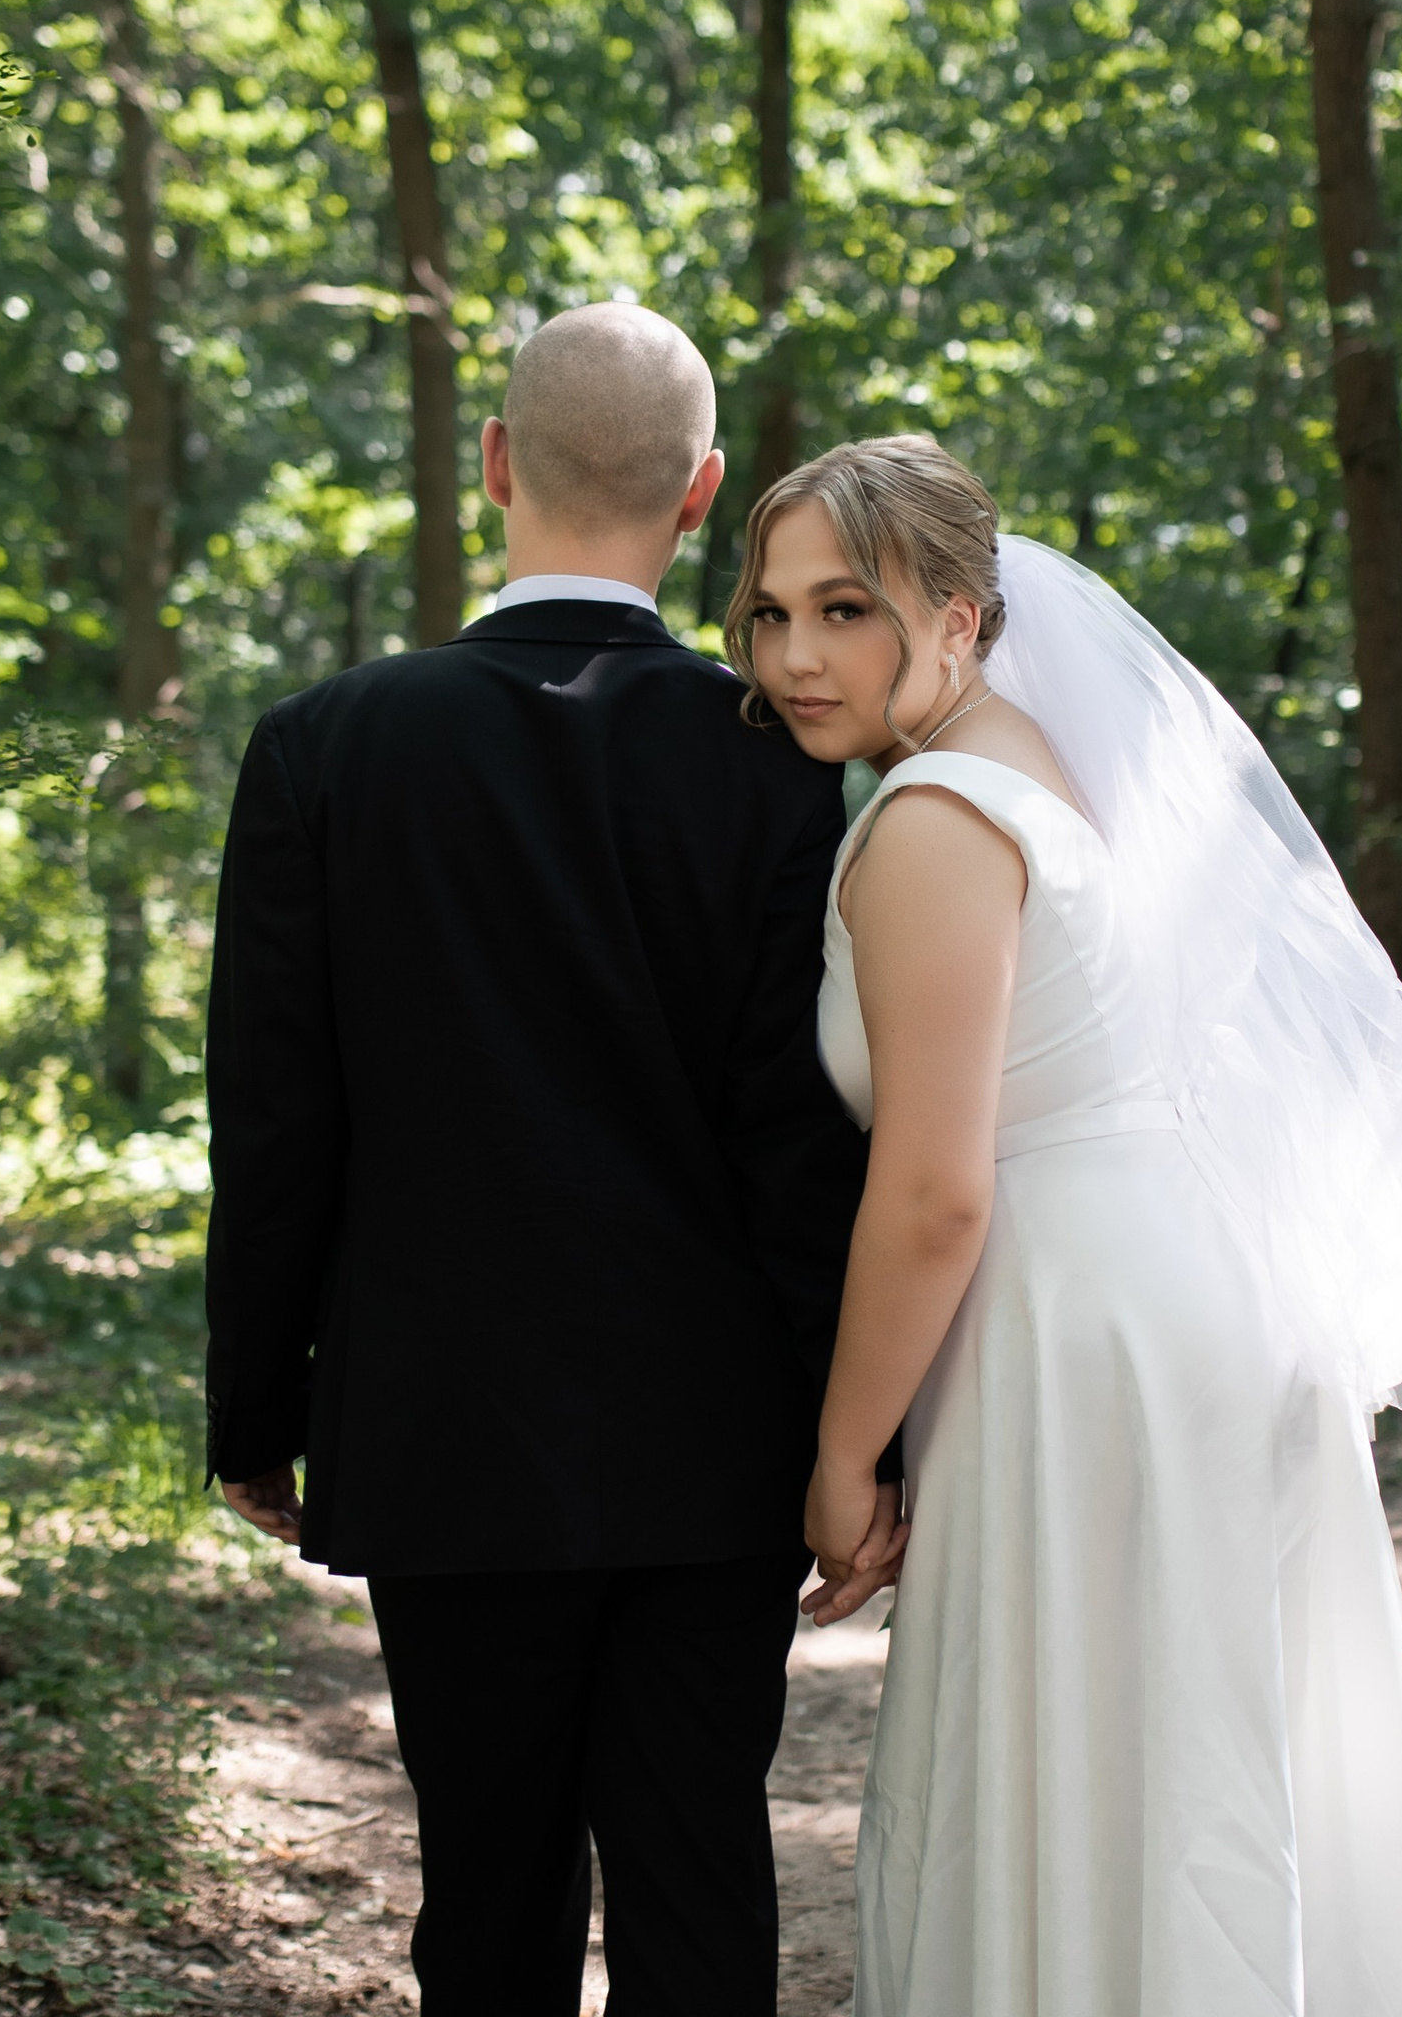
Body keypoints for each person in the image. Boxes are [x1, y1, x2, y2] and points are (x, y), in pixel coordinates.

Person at [736, 435, 1402, 2017]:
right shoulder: (1042, 758)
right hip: (1186, 1299)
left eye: (848, 608)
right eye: (769, 611)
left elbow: (939, 1189)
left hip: (1083, 1340)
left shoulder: (935, 821)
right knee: (1190, 1782)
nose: (799, 655)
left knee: (1095, 1777)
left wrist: (839, 1455)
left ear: (960, 617)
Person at [202, 304, 898, 2016]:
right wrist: (848, 1440)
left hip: (447, 1436)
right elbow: (800, 1140)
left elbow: (278, 1126)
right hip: (713, 1445)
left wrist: (256, 1412)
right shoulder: (776, 764)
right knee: (696, 1885)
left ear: (496, 465)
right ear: (702, 495)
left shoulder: (324, 748)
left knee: (488, 1903)